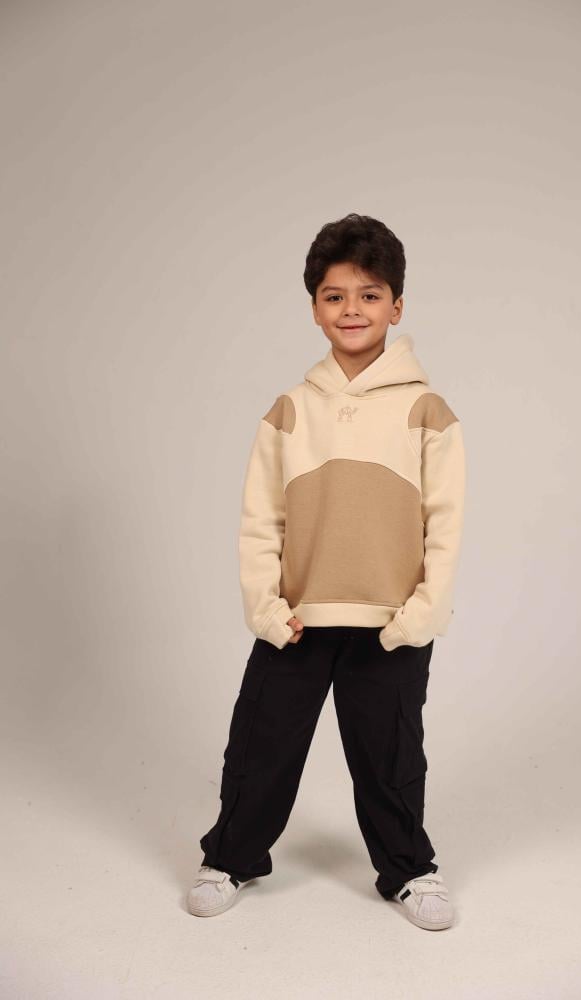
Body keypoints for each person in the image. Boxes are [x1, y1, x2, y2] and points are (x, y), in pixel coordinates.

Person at [187, 213, 466, 930]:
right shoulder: (289, 411)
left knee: (391, 755)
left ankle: (409, 869)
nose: (352, 309)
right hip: (298, 620)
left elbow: (445, 525)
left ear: (396, 307)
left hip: (390, 623)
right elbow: (261, 520)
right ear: (314, 307)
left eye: (369, 295)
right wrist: (265, 608)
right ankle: (230, 857)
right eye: (335, 296)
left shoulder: (426, 410)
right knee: (261, 746)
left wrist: (422, 614)